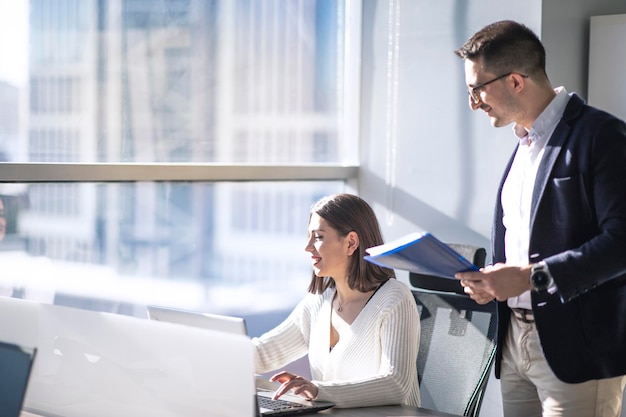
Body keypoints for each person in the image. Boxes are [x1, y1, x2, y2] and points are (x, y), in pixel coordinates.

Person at [453, 20, 626, 417]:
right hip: (514, 343)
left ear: (515, 81)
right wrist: (494, 282)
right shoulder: (524, 144)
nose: (473, 102)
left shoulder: (602, 136)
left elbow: (621, 242)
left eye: (477, 89)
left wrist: (532, 277)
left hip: (578, 350)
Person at [252, 193, 420, 408]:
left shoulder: (395, 299)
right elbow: (264, 354)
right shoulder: (318, 301)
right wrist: (208, 353)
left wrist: (317, 390)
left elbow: (396, 384)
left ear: (351, 242)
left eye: (318, 237)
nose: (308, 246)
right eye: (309, 236)